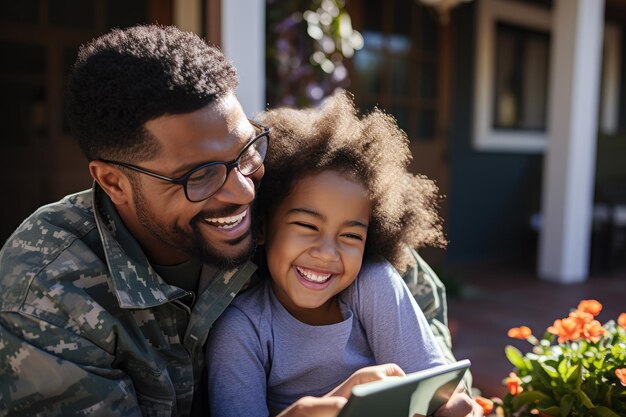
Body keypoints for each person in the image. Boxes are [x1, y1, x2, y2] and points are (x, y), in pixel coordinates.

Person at [0, 25, 475, 417]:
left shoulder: (288, 192)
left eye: (248, 149)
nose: (244, 190)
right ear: (114, 182)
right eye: (200, 175)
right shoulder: (46, 289)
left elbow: (419, 316)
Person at [205, 91, 475, 417]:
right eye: (307, 225)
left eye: (350, 235)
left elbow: (439, 390)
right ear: (262, 228)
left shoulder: (373, 285)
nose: (327, 252)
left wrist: (456, 405)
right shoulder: (241, 330)